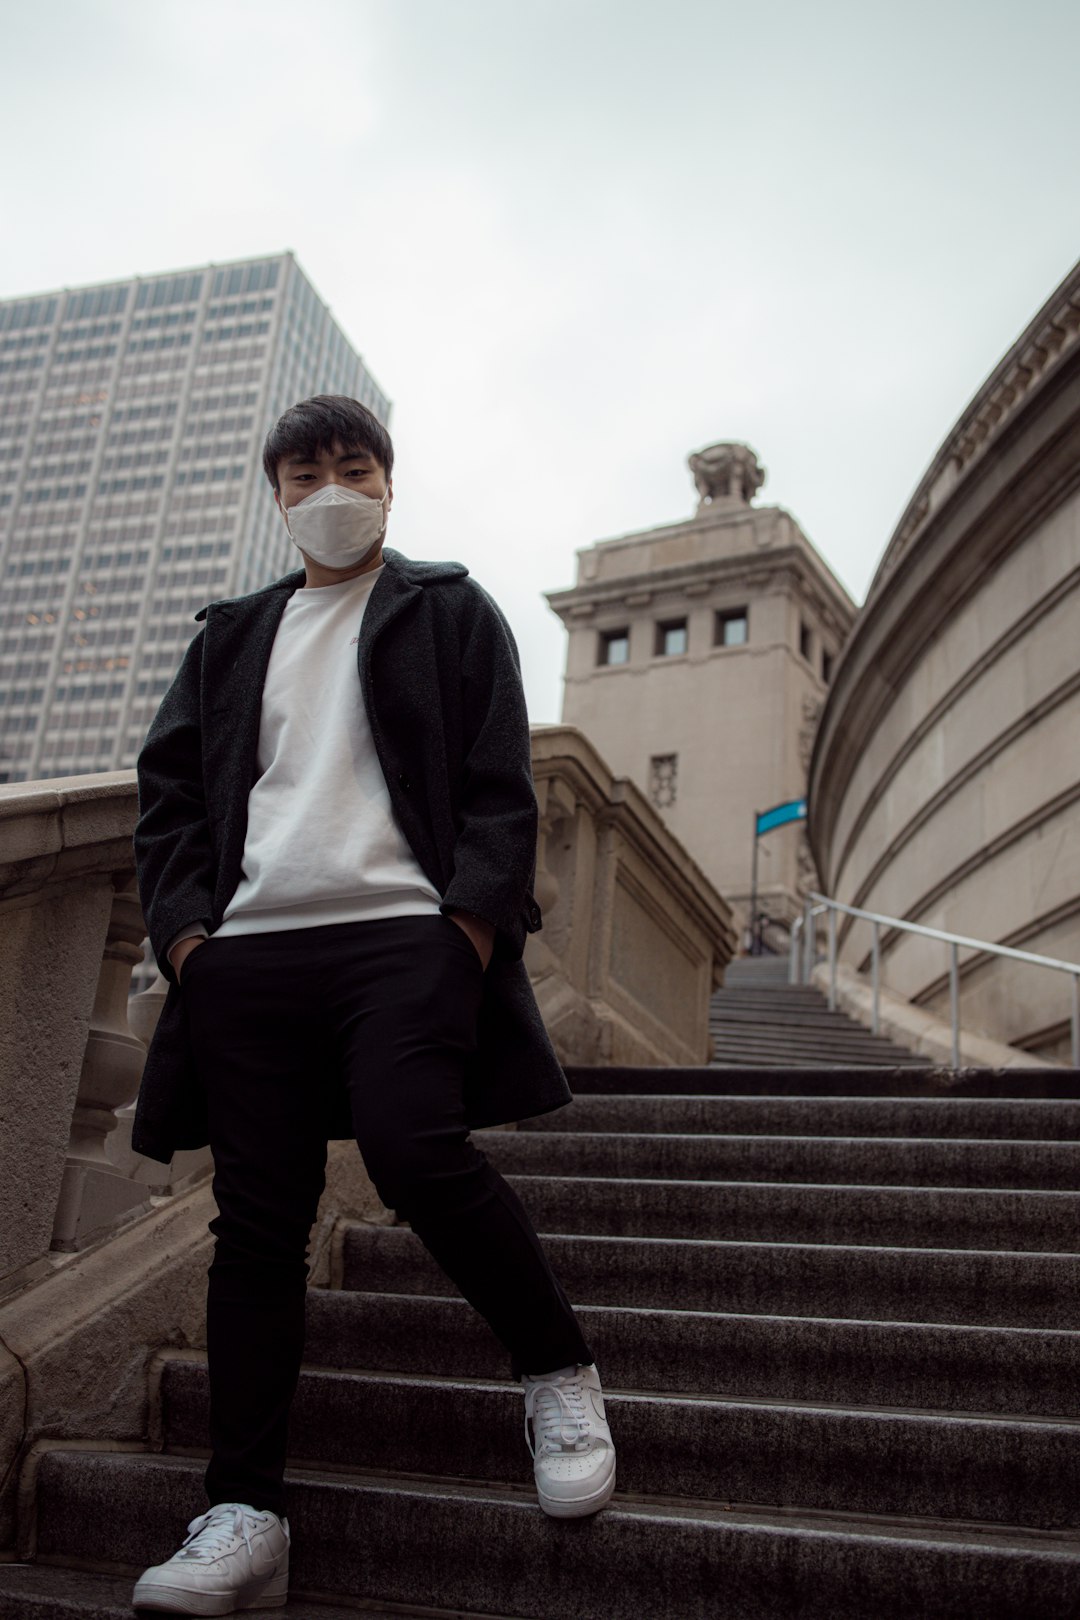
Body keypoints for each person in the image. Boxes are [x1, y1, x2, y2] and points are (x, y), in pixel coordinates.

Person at [129, 395, 615, 1616]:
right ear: (279, 494)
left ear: (388, 486)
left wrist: (464, 934)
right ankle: (245, 1513)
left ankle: (557, 1372)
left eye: (355, 467)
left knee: (415, 1148)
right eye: (307, 471)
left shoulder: (447, 611)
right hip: (250, 957)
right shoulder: (231, 636)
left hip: (405, 936)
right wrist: (192, 942)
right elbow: (169, 797)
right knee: (256, 1226)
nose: (333, 486)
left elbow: (505, 790)